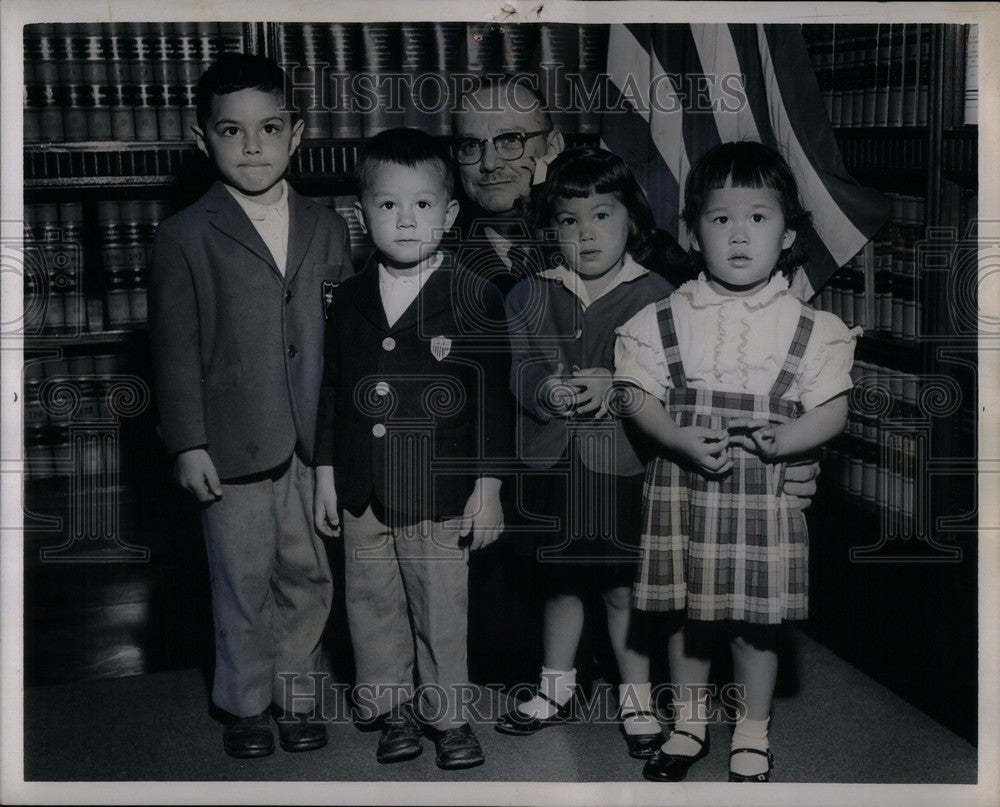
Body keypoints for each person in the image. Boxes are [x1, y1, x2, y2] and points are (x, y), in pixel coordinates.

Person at [614, 141, 859, 783]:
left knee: (756, 625)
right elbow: (635, 392)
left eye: (759, 217)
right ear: (693, 234)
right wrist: (673, 436)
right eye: (721, 219)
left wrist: (794, 437)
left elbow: (832, 406)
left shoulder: (807, 325)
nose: (740, 234)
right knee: (688, 620)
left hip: (766, 492)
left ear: (787, 234)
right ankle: (689, 723)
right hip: (684, 486)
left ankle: (752, 731)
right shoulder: (664, 318)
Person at [148, 53, 353, 759]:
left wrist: (335, 447)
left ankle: (295, 692)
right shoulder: (181, 236)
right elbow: (174, 352)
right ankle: (244, 700)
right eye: (232, 131)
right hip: (229, 445)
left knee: (309, 572)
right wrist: (187, 442)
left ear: (297, 133)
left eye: (269, 128)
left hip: (309, 441)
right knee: (239, 578)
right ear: (202, 138)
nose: (254, 145)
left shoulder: (329, 225)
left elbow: (341, 344)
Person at [312, 127, 512, 771]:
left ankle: (449, 716)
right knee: (370, 605)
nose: (404, 219)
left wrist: (488, 488)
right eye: (387, 204)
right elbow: (332, 391)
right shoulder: (345, 300)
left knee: (440, 606)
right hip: (362, 485)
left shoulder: (474, 295)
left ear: (450, 214)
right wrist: (324, 473)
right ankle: (391, 710)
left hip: (439, 488)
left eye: (422, 204)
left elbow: (492, 403)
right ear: (361, 212)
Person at [496, 147, 672, 759]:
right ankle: (556, 688)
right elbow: (518, 373)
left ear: (633, 221)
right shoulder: (527, 295)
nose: (587, 232)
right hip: (554, 463)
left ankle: (638, 698)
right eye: (570, 220)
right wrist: (545, 389)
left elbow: (672, 382)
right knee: (561, 582)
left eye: (602, 215)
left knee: (624, 587)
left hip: (624, 465)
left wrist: (619, 388)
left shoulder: (657, 295)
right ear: (551, 229)